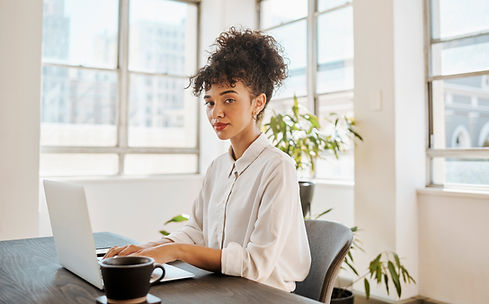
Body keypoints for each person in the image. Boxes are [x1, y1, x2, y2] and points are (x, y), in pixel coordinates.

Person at [104, 27, 311, 292]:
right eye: (210, 102)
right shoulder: (218, 167)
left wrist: (176, 251)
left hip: (264, 295)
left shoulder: (277, 168)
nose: (217, 113)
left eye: (229, 100)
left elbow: (256, 265)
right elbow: (198, 231)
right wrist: (147, 249)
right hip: (223, 288)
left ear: (257, 103)